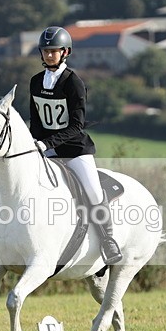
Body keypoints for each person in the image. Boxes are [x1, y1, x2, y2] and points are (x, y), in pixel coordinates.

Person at [29, 26, 122, 265]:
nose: (49, 55)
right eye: (45, 51)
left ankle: (108, 240)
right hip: (46, 150)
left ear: (65, 52)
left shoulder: (74, 83)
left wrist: (47, 143)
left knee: (92, 190)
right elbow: (36, 121)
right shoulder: (36, 81)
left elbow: (76, 126)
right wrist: (35, 144)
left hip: (75, 150)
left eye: (54, 51)